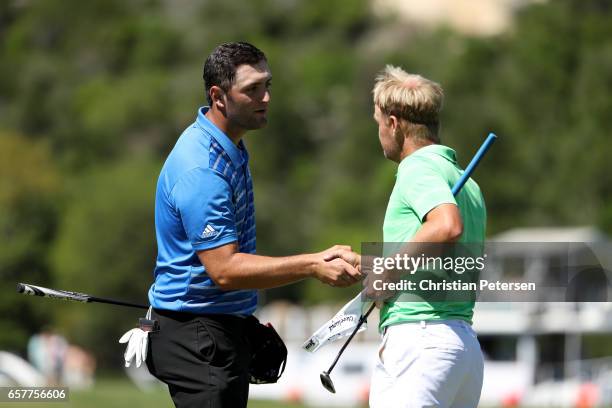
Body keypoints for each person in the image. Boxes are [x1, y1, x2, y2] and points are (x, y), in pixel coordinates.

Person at [145, 42, 361, 408]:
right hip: (198, 337)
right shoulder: (203, 170)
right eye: (252, 90)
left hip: (216, 329)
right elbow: (226, 270)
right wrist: (312, 265)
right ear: (218, 96)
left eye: (267, 85)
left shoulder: (227, 145)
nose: (266, 97)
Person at [366, 65, 487, 408]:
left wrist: (388, 274)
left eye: (378, 124)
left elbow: (446, 226)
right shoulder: (467, 181)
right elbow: (439, 259)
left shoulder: (417, 167)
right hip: (461, 347)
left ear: (393, 123)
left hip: (422, 342)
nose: (379, 134)